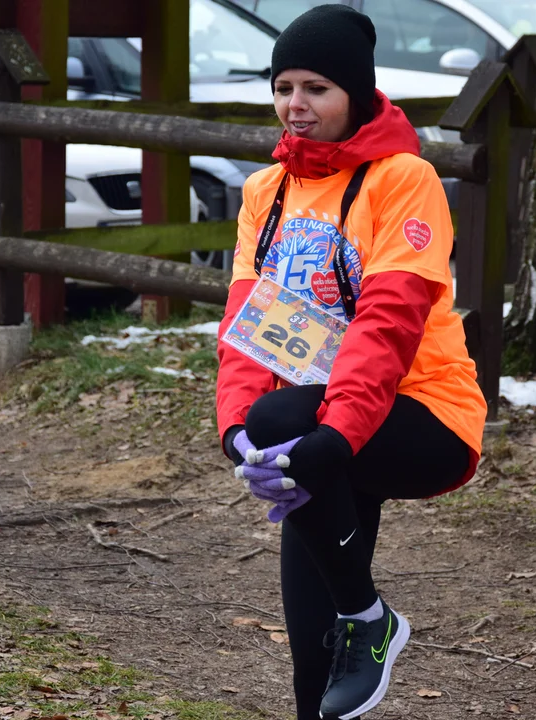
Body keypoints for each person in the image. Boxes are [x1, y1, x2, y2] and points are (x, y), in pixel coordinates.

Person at [214, 5, 487, 718]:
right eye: (283, 88)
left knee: (279, 415)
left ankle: (371, 620)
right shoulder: (263, 194)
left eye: (316, 89)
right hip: (321, 426)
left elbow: (387, 323)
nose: (294, 106)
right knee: (315, 658)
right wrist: (235, 432)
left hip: (421, 417)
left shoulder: (404, 179)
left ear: (356, 93)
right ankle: (354, 633)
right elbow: (246, 326)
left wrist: (330, 434)